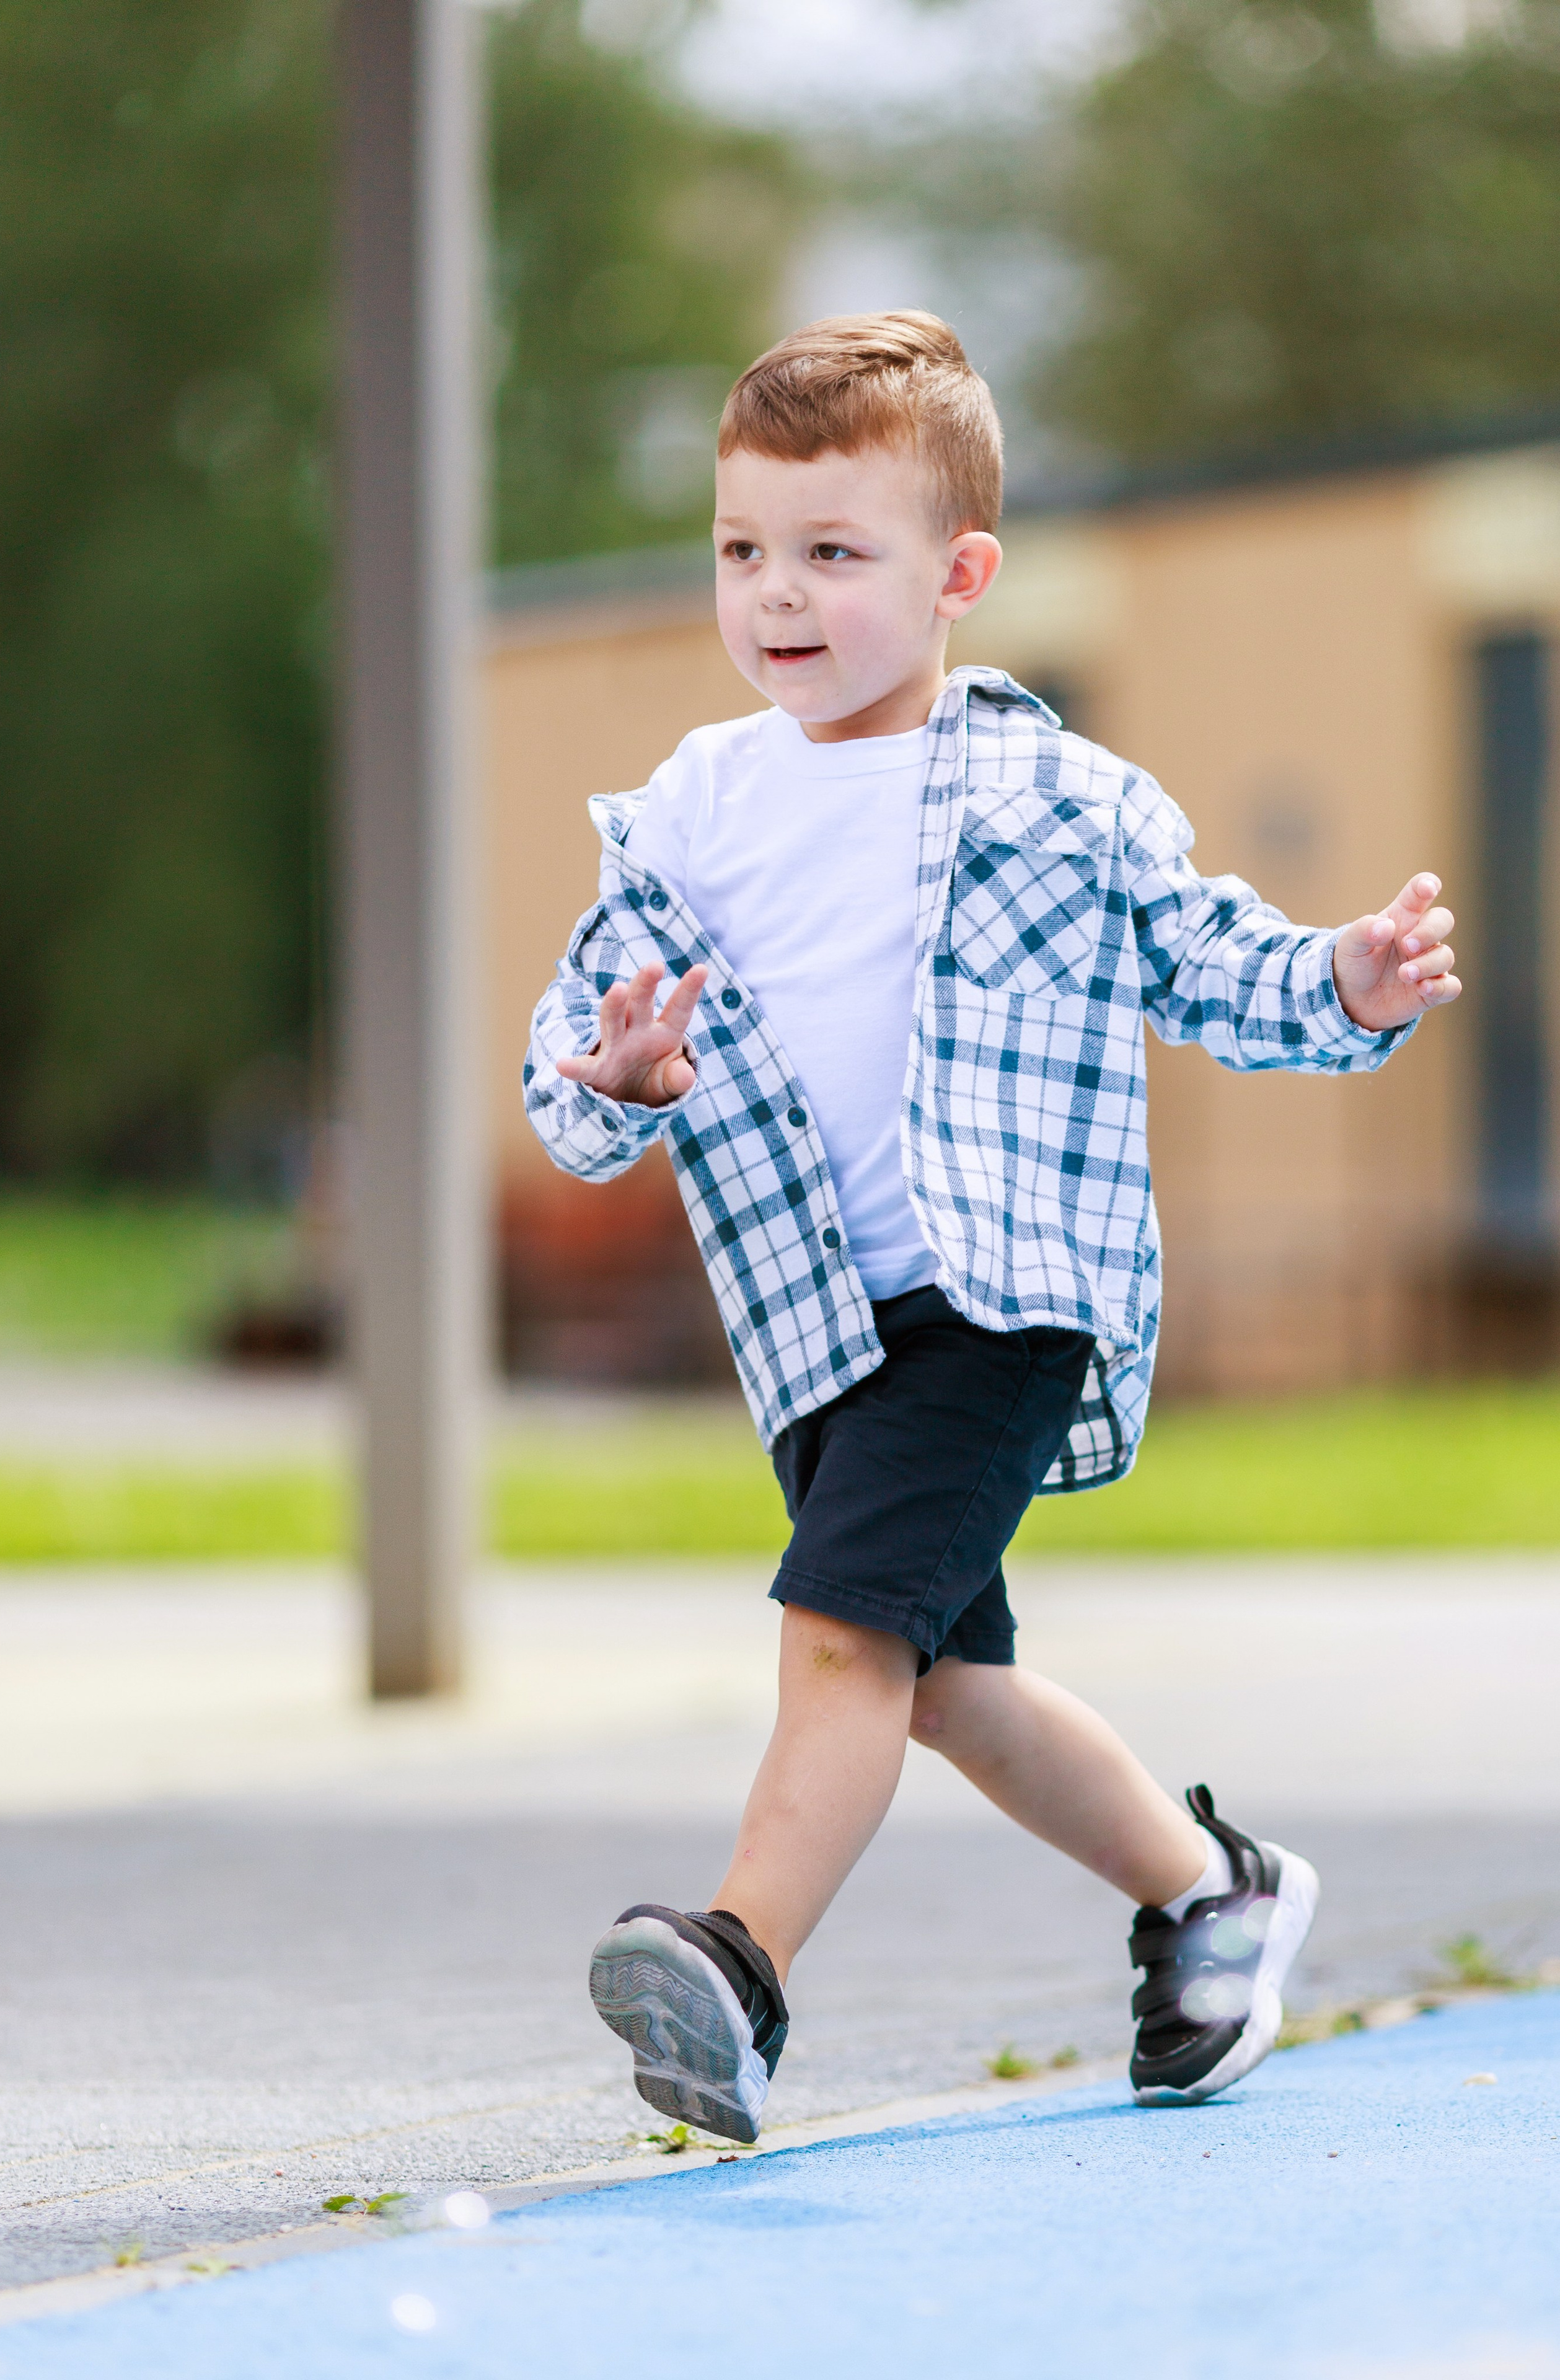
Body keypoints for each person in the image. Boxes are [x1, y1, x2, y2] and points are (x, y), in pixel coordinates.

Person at [522, 312, 1461, 2141]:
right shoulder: (698, 809)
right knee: (951, 1685)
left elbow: (1213, 963)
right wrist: (621, 1077)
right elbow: (585, 1036)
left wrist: (1347, 979)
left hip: (1008, 1295)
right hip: (817, 1320)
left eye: (832, 554)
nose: (777, 596)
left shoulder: (1059, 796)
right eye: (743, 551)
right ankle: (1213, 1892)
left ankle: (738, 1967)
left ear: (960, 576)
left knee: (845, 1643)